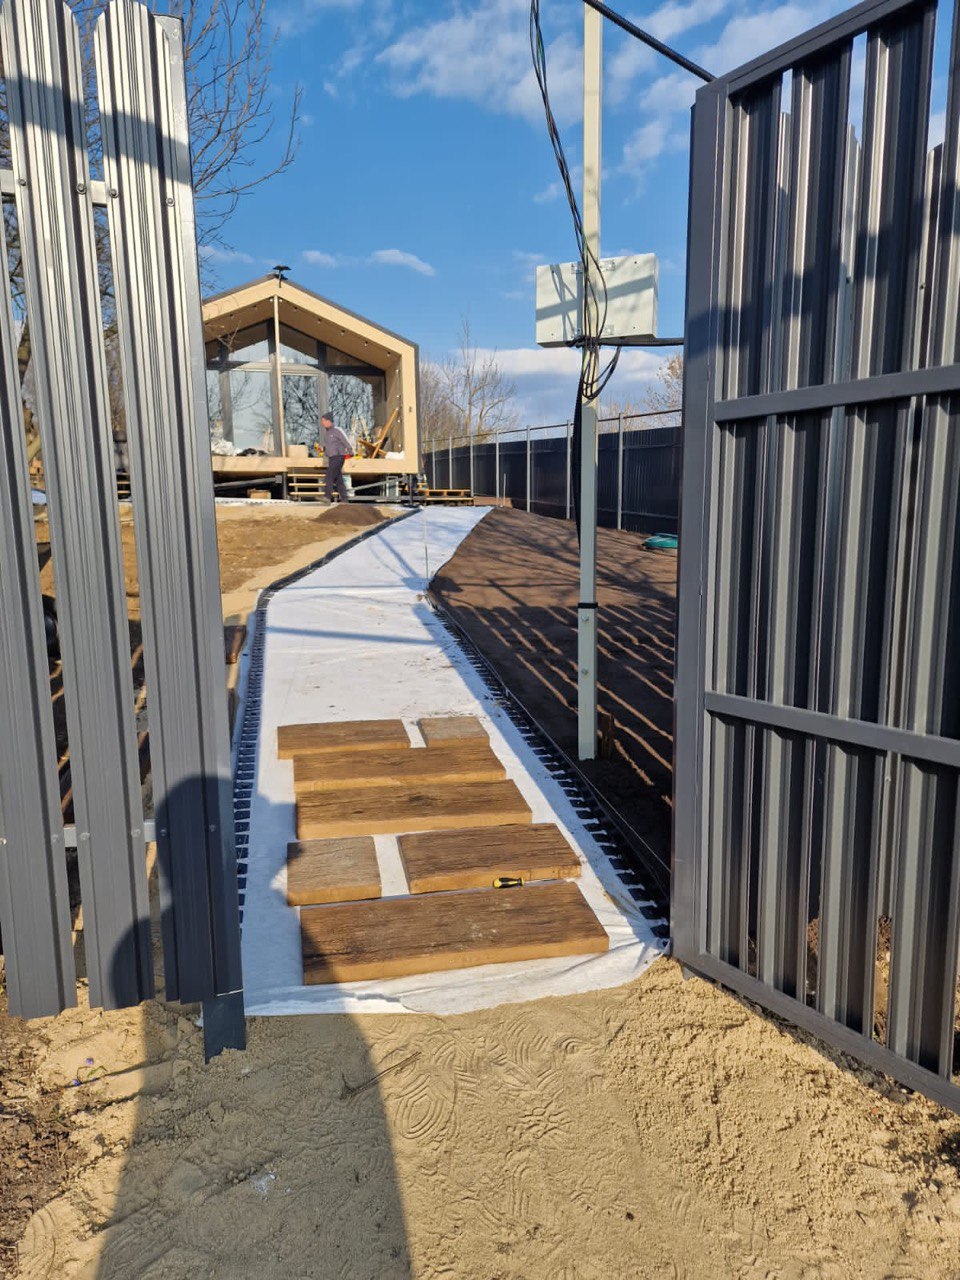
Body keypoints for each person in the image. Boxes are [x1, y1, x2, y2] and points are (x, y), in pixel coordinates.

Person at [319, 411, 352, 502]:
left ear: (328, 421)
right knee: (338, 479)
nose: (322, 423)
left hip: (338, 456)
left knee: (329, 476)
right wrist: (323, 449)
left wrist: (350, 451)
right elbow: (330, 447)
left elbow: (345, 441)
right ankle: (345, 499)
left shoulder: (337, 430)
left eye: (323, 421)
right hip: (332, 458)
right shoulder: (327, 434)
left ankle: (327, 497)